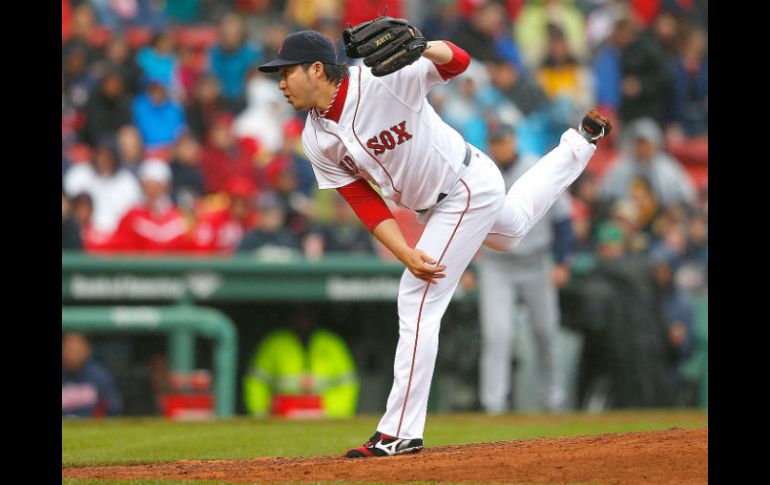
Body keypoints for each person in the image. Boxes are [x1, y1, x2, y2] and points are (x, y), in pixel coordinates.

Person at [257, 24, 611, 458]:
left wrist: (428, 46)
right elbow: (361, 199)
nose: (279, 82)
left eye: (285, 72)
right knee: (514, 228)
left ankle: (400, 431)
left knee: (417, 296)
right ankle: (580, 144)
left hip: (463, 187)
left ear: (315, 69)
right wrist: (403, 250)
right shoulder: (314, 137)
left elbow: (459, 63)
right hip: (439, 204)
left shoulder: (383, 80)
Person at [477, 123, 574, 415]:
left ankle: (553, 400)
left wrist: (563, 261)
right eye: (495, 141)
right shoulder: (481, 169)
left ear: (514, 140)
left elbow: (563, 219)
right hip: (496, 265)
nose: (500, 146)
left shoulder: (535, 168)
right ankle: (493, 405)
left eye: (504, 140)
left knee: (546, 332)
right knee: (497, 335)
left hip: (537, 261)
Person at [243, 307, 359, 418]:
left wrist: (331, 412)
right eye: (299, 313)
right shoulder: (274, 343)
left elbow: (348, 385)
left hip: (324, 417)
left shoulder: (332, 343)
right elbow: (256, 382)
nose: (304, 318)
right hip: (281, 415)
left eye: (308, 313)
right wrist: (261, 414)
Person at [62, 332, 122, 417]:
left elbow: (112, 407)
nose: (73, 354)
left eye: (77, 350)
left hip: (92, 425)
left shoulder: (99, 376)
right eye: (69, 349)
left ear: (87, 351)